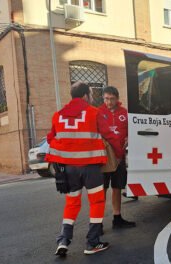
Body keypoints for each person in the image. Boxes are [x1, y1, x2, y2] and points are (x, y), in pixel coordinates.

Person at [46, 82, 121, 256]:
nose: (91, 97)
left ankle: (63, 240)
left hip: (69, 170)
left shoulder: (58, 116)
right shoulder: (94, 113)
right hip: (91, 169)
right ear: (86, 95)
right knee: (96, 202)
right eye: (91, 94)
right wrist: (118, 154)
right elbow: (109, 135)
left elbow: (51, 138)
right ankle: (92, 243)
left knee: (72, 203)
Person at [99, 86, 136, 229]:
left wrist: (129, 137)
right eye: (106, 99)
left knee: (117, 187)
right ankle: (97, 222)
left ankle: (117, 218)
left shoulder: (124, 113)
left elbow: (131, 131)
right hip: (104, 157)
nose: (109, 102)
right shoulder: (98, 112)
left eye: (112, 99)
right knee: (101, 190)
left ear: (117, 99)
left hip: (120, 156)